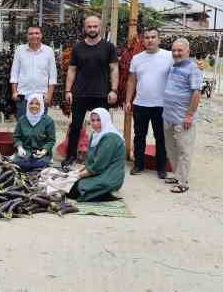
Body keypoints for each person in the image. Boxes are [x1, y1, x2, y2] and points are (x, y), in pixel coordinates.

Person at [63, 16, 119, 168]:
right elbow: (72, 69)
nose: (92, 29)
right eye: (89, 26)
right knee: (75, 126)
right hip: (80, 93)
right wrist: (68, 90)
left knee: (102, 127)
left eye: (95, 26)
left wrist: (114, 90)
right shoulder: (78, 47)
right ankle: (71, 156)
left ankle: (101, 157)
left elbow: (114, 69)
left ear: (100, 27)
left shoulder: (108, 47)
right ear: (85, 28)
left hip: (101, 93)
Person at [124, 27, 171, 178]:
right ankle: (138, 164)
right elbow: (131, 81)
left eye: (153, 37)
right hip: (140, 104)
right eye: (147, 37)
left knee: (161, 137)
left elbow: (183, 69)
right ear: (143, 40)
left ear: (159, 39)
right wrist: (128, 100)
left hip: (161, 105)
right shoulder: (137, 58)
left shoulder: (169, 56)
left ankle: (161, 167)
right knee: (139, 136)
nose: (150, 40)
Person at [162, 38, 202, 193]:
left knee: (184, 149)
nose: (176, 53)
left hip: (182, 118)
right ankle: (177, 174)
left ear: (188, 52)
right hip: (168, 116)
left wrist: (189, 115)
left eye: (180, 50)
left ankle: (183, 182)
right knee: (171, 148)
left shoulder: (194, 69)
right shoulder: (173, 66)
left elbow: (196, 93)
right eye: (174, 51)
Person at [68, 108, 126, 201]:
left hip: (110, 177)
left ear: (105, 120)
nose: (95, 123)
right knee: (68, 184)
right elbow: (90, 159)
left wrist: (77, 176)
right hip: (99, 172)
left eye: (99, 120)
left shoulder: (110, 138)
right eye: (93, 120)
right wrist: (77, 172)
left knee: (73, 190)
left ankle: (106, 192)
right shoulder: (96, 134)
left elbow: (98, 165)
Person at [9, 26, 58, 118]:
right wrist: (14, 92)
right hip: (22, 95)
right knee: (23, 124)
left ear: (41, 35)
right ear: (27, 36)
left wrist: (49, 95)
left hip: (42, 96)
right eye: (31, 33)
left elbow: (52, 75)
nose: (34, 36)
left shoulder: (49, 51)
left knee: (40, 126)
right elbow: (14, 73)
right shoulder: (19, 50)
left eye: (37, 33)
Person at [12, 94, 56, 172]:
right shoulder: (22, 120)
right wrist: (20, 148)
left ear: (41, 105)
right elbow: (16, 137)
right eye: (31, 103)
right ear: (27, 105)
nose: (34, 106)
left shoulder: (48, 121)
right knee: (19, 165)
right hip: (25, 153)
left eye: (37, 103)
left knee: (39, 167)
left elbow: (51, 140)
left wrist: (43, 151)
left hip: (41, 154)